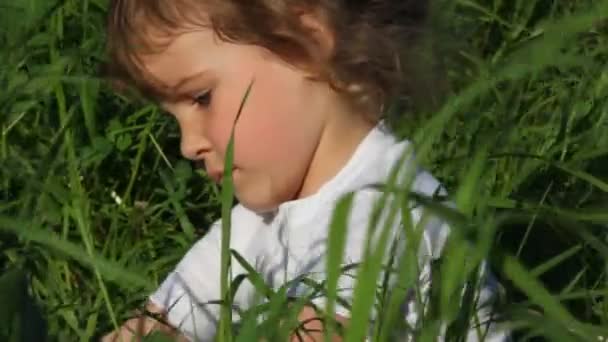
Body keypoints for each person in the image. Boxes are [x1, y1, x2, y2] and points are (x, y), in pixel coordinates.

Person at [101, 0, 509, 341]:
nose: (188, 144)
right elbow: (159, 326)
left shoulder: (386, 213)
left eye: (202, 98)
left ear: (309, 43)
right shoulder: (257, 224)